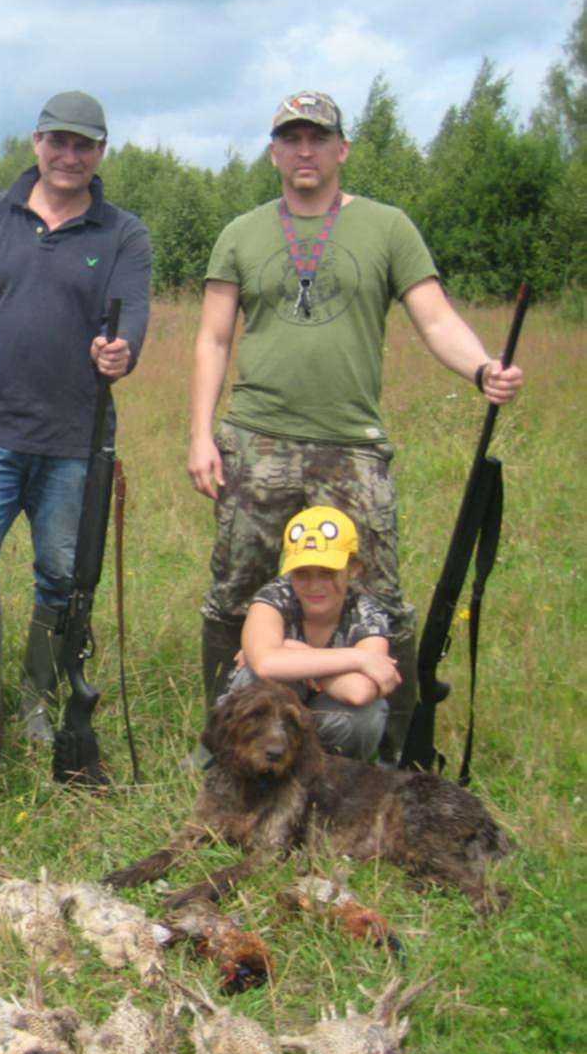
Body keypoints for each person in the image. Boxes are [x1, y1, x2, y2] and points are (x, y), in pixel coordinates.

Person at [188, 90, 524, 753]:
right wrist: (201, 433)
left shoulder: (387, 228)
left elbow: (432, 317)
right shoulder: (241, 233)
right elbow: (212, 340)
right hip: (255, 438)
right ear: (274, 151)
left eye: (317, 138)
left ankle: (393, 748)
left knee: (378, 595)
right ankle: (222, 739)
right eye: (290, 139)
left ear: (340, 149)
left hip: (352, 445)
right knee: (235, 592)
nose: (303, 151)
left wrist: (481, 368)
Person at [0, 90, 152, 761]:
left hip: (75, 444)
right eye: (57, 141)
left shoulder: (122, 233)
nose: (68, 155)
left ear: (101, 152)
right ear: (35, 142)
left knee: (61, 578)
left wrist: (120, 350)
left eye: (83, 144)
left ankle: (37, 703)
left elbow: (129, 317)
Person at [224, 505, 397, 760]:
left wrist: (292, 652)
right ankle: (232, 763)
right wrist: (359, 659)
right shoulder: (273, 597)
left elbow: (360, 691)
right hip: (269, 725)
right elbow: (264, 665)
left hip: (322, 721)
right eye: (302, 574)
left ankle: (328, 776)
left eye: (327, 573)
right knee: (251, 680)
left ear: (354, 569)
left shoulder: (368, 615)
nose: (315, 586)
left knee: (368, 715)